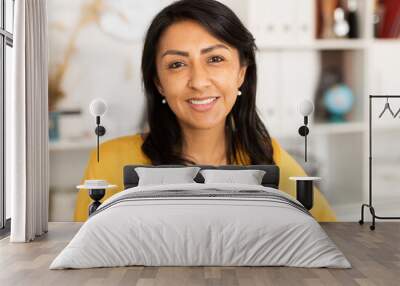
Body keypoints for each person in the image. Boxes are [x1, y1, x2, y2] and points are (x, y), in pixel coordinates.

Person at [74, 0, 336, 222]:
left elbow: (330, 234)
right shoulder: (108, 161)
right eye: (177, 64)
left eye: (215, 59)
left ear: (241, 73)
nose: (198, 82)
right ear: (158, 83)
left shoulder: (270, 156)